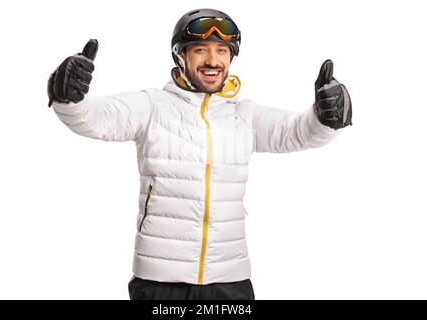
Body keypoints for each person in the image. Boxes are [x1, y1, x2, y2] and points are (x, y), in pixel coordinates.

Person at [47, 8, 352, 300]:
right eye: (200, 49)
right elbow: (94, 117)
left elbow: (297, 131)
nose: (212, 60)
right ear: (180, 56)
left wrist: (326, 117)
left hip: (230, 281)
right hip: (160, 282)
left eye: (222, 51)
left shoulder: (243, 115)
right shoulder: (152, 106)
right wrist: (69, 97)